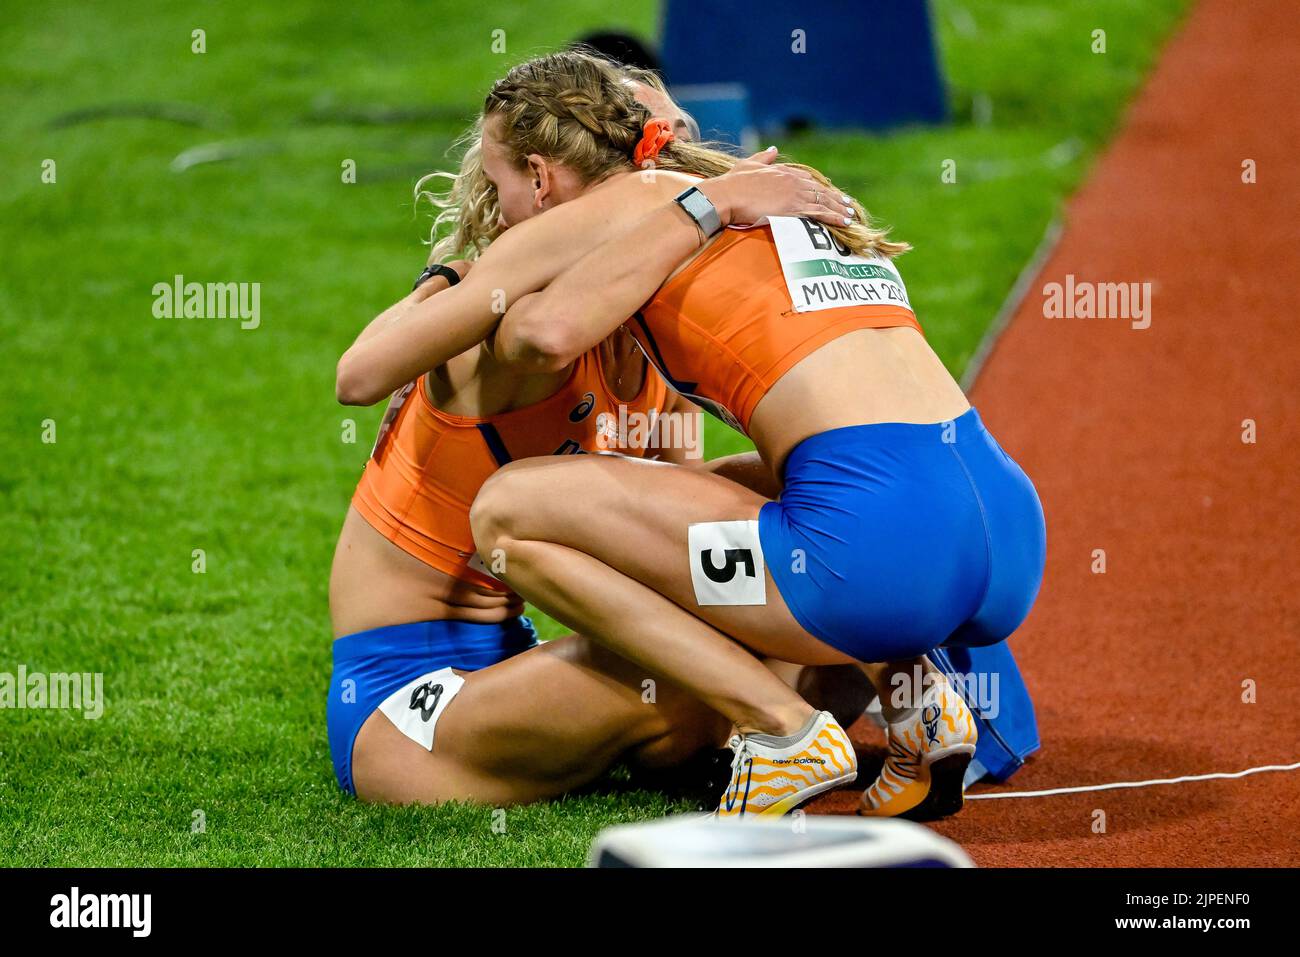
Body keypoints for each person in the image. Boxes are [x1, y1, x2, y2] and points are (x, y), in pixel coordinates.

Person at [329, 66, 866, 806]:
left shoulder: (648, 333)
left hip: (522, 665)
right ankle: (787, 722)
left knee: (806, 511)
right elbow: (358, 376)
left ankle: (872, 687)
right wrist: (443, 282)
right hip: (406, 703)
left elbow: (684, 550)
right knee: (733, 661)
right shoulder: (507, 316)